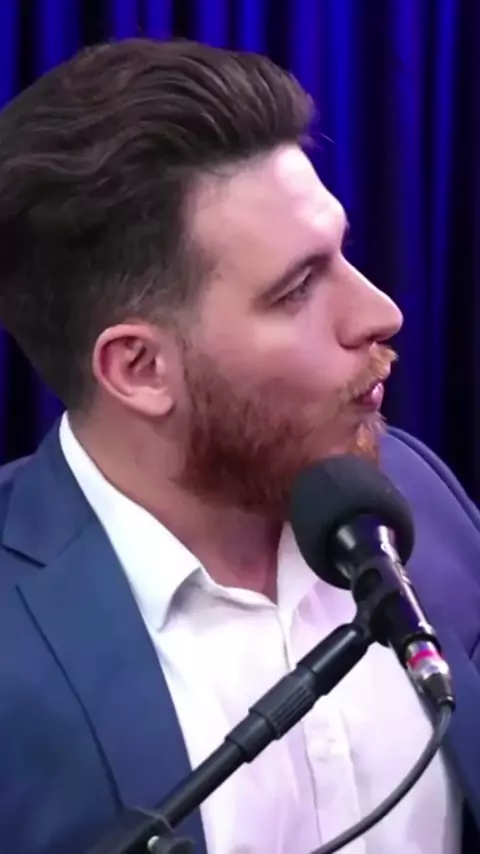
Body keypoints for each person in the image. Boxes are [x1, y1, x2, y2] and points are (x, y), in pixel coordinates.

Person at [0, 37, 478, 854]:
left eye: (343, 252)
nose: (381, 313)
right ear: (140, 368)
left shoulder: (416, 492)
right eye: (297, 288)